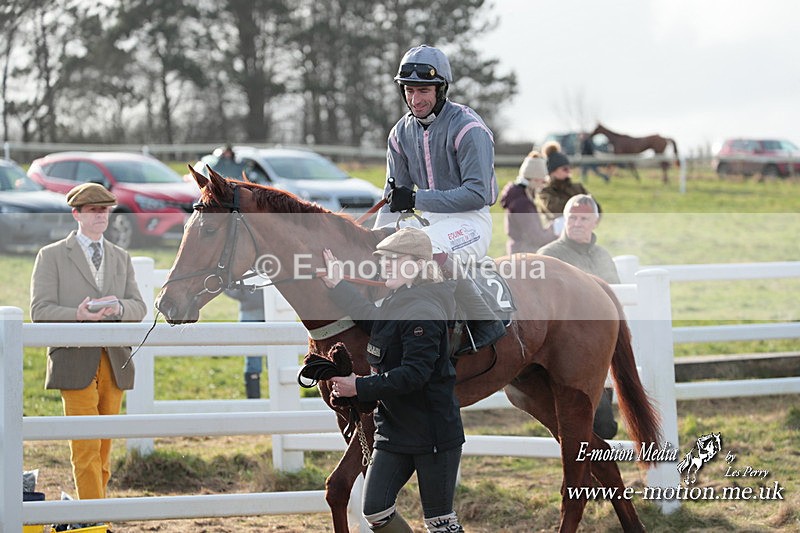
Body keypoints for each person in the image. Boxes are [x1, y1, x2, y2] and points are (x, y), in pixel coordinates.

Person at [322, 228, 465, 533]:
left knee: (440, 524)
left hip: (433, 435)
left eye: (392, 259)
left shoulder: (424, 309)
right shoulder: (400, 299)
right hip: (393, 431)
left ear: (415, 265)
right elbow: (375, 322)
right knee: (375, 511)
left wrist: (357, 386)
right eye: (384, 258)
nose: (384, 264)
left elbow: (414, 375)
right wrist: (339, 285)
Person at [374, 44, 504, 350]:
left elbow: (477, 194)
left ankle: (485, 321)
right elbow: (395, 197)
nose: (415, 100)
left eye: (424, 91)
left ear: (441, 89)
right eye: (408, 90)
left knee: (423, 248)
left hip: (470, 222)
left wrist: (417, 200)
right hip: (428, 221)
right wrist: (376, 237)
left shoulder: (469, 129)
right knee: (386, 252)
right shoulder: (399, 134)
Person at [30, 182, 146, 500]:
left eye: (105, 209)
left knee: (104, 449)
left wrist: (119, 306)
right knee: (86, 448)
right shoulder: (50, 256)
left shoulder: (121, 257)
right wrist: (77, 314)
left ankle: (95, 513)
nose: (101, 215)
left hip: (115, 361)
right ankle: (93, 518)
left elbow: (139, 306)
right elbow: (39, 311)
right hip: (74, 360)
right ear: (76, 214)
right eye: (94, 210)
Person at [536, 194, 619, 439]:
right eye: (572, 217)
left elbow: (615, 296)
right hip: (565, 350)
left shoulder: (602, 256)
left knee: (602, 425)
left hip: (598, 347)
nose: (577, 223)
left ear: (595, 221)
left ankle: (589, 472)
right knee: (584, 421)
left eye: (584, 218)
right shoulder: (549, 255)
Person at [499, 150, 556, 255]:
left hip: (520, 252)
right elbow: (537, 238)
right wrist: (555, 228)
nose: (544, 185)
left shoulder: (520, 197)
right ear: (534, 180)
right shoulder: (522, 204)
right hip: (524, 256)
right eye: (543, 181)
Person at [535, 140, 597, 236]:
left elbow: (595, 208)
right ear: (553, 171)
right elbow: (557, 210)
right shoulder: (544, 192)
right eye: (564, 169)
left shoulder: (578, 187)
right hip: (555, 237)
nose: (569, 171)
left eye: (569, 168)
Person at [225, 286, 266, 399]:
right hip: (250, 313)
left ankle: (282, 399)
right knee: (253, 362)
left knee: (279, 358)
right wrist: (243, 293)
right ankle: (254, 402)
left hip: (277, 310)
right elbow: (223, 280)